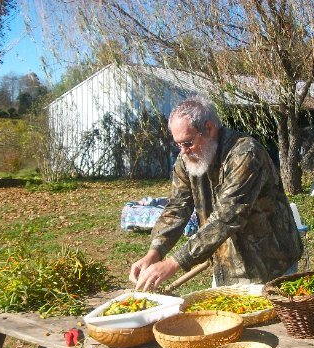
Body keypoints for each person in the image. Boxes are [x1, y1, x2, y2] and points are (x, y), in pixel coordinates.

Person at [129, 97, 303, 292]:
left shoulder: (246, 154)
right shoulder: (188, 158)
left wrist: (174, 262)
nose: (183, 152)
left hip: (271, 266)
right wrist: (155, 252)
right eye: (178, 145)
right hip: (227, 268)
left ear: (209, 129)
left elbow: (226, 217)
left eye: (187, 143)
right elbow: (177, 208)